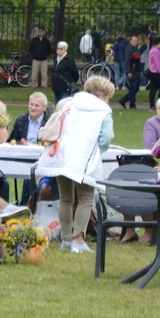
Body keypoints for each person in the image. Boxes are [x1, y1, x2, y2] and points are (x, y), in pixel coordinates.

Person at [35, 76, 115, 254]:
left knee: (66, 198)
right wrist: (96, 151)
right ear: (101, 94)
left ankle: (66, 238)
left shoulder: (69, 104)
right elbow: (106, 138)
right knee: (85, 198)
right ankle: (78, 240)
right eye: (108, 96)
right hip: (84, 157)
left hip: (61, 155)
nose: (108, 100)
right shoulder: (104, 110)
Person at [10, 93, 52, 204]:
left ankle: (27, 204)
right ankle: (26, 205)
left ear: (44, 108)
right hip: (22, 158)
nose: (32, 108)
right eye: (31, 104)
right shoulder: (21, 120)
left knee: (30, 174)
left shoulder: (49, 122)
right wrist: (19, 142)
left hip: (43, 159)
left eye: (37, 105)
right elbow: (11, 140)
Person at [119, 35, 143, 109]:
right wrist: (129, 71)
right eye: (134, 41)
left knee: (136, 88)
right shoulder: (128, 49)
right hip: (132, 71)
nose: (135, 42)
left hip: (137, 70)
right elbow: (127, 61)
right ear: (130, 41)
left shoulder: (136, 49)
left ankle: (123, 100)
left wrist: (141, 71)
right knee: (133, 88)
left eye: (136, 41)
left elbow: (138, 61)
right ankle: (132, 105)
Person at [145, 36, 160, 110]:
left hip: (153, 72)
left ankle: (152, 105)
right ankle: (158, 103)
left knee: (153, 89)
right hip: (156, 72)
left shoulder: (153, 50)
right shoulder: (156, 51)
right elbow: (158, 64)